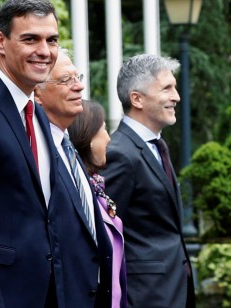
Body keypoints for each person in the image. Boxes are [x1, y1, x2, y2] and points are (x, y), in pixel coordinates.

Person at [0, 0, 105, 307]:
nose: (44, 51)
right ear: (1, 40)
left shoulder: (37, 112)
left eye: (52, 40)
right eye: (30, 39)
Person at [101, 53, 194, 307]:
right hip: (144, 296)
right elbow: (105, 233)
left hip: (172, 291)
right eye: (167, 88)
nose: (177, 97)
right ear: (137, 99)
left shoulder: (156, 146)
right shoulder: (120, 153)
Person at [34, 50, 113, 307]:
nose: (79, 86)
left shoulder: (68, 149)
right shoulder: (36, 154)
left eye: (77, 77)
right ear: (38, 94)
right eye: (66, 80)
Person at [68, 100, 127, 308]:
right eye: (103, 129)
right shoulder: (76, 191)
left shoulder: (97, 186)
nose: (109, 138)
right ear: (89, 138)